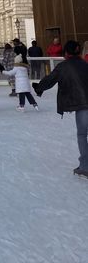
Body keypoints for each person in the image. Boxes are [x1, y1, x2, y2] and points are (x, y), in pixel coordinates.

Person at [32, 40, 88, 179]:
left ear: (66, 53)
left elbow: (50, 80)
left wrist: (38, 87)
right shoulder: (85, 64)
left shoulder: (63, 66)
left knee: (82, 135)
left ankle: (85, 167)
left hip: (82, 106)